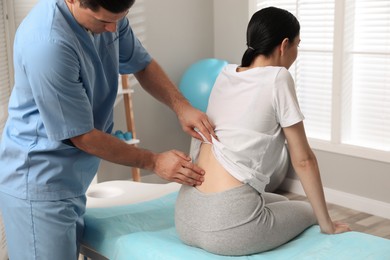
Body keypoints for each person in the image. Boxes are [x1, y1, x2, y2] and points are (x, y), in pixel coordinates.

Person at [0, 0, 216, 259]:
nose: (114, 29)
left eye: (121, 18)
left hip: (72, 177)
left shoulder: (109, 14)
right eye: (104, 22)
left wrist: (182, 107)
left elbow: (142, 64)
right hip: (39, 179)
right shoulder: (47, 44)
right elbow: (82, 135)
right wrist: (155, 161)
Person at [175, 6, 351, 256]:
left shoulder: (225, 73)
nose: (296, 53)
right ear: (284, 45)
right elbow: (303, 160)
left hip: (186, 216)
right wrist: (327, 225)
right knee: (308, 211)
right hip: (227, 230)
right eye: (297, 45)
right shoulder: (278, 78)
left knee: (281, 202)